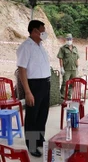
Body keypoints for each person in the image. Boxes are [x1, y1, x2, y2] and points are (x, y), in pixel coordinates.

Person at [16, 20, 51, 157]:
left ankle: (39, 140)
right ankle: (31, 145)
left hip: (45, 83)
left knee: (42, 114)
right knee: (32, 116)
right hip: (34, 85)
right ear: (35, 31)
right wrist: (28, 91)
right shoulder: (26, 47)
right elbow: (22, 70)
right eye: (43, 30)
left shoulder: (40, 45)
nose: (45, 33)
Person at [57, 33, 79, 99]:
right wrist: (61, 68)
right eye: (67, 39)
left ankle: (69, 96)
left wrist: (78, 67)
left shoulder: (75, 48)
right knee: (65, 83)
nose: (69, 40)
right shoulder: (63, 48)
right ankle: (62, 96)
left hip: (74, 69)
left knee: (73, 83)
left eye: (70, 39)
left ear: (72, 39)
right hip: (66, 69)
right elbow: (60, 58)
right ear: (66, 40)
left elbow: (77, 58)